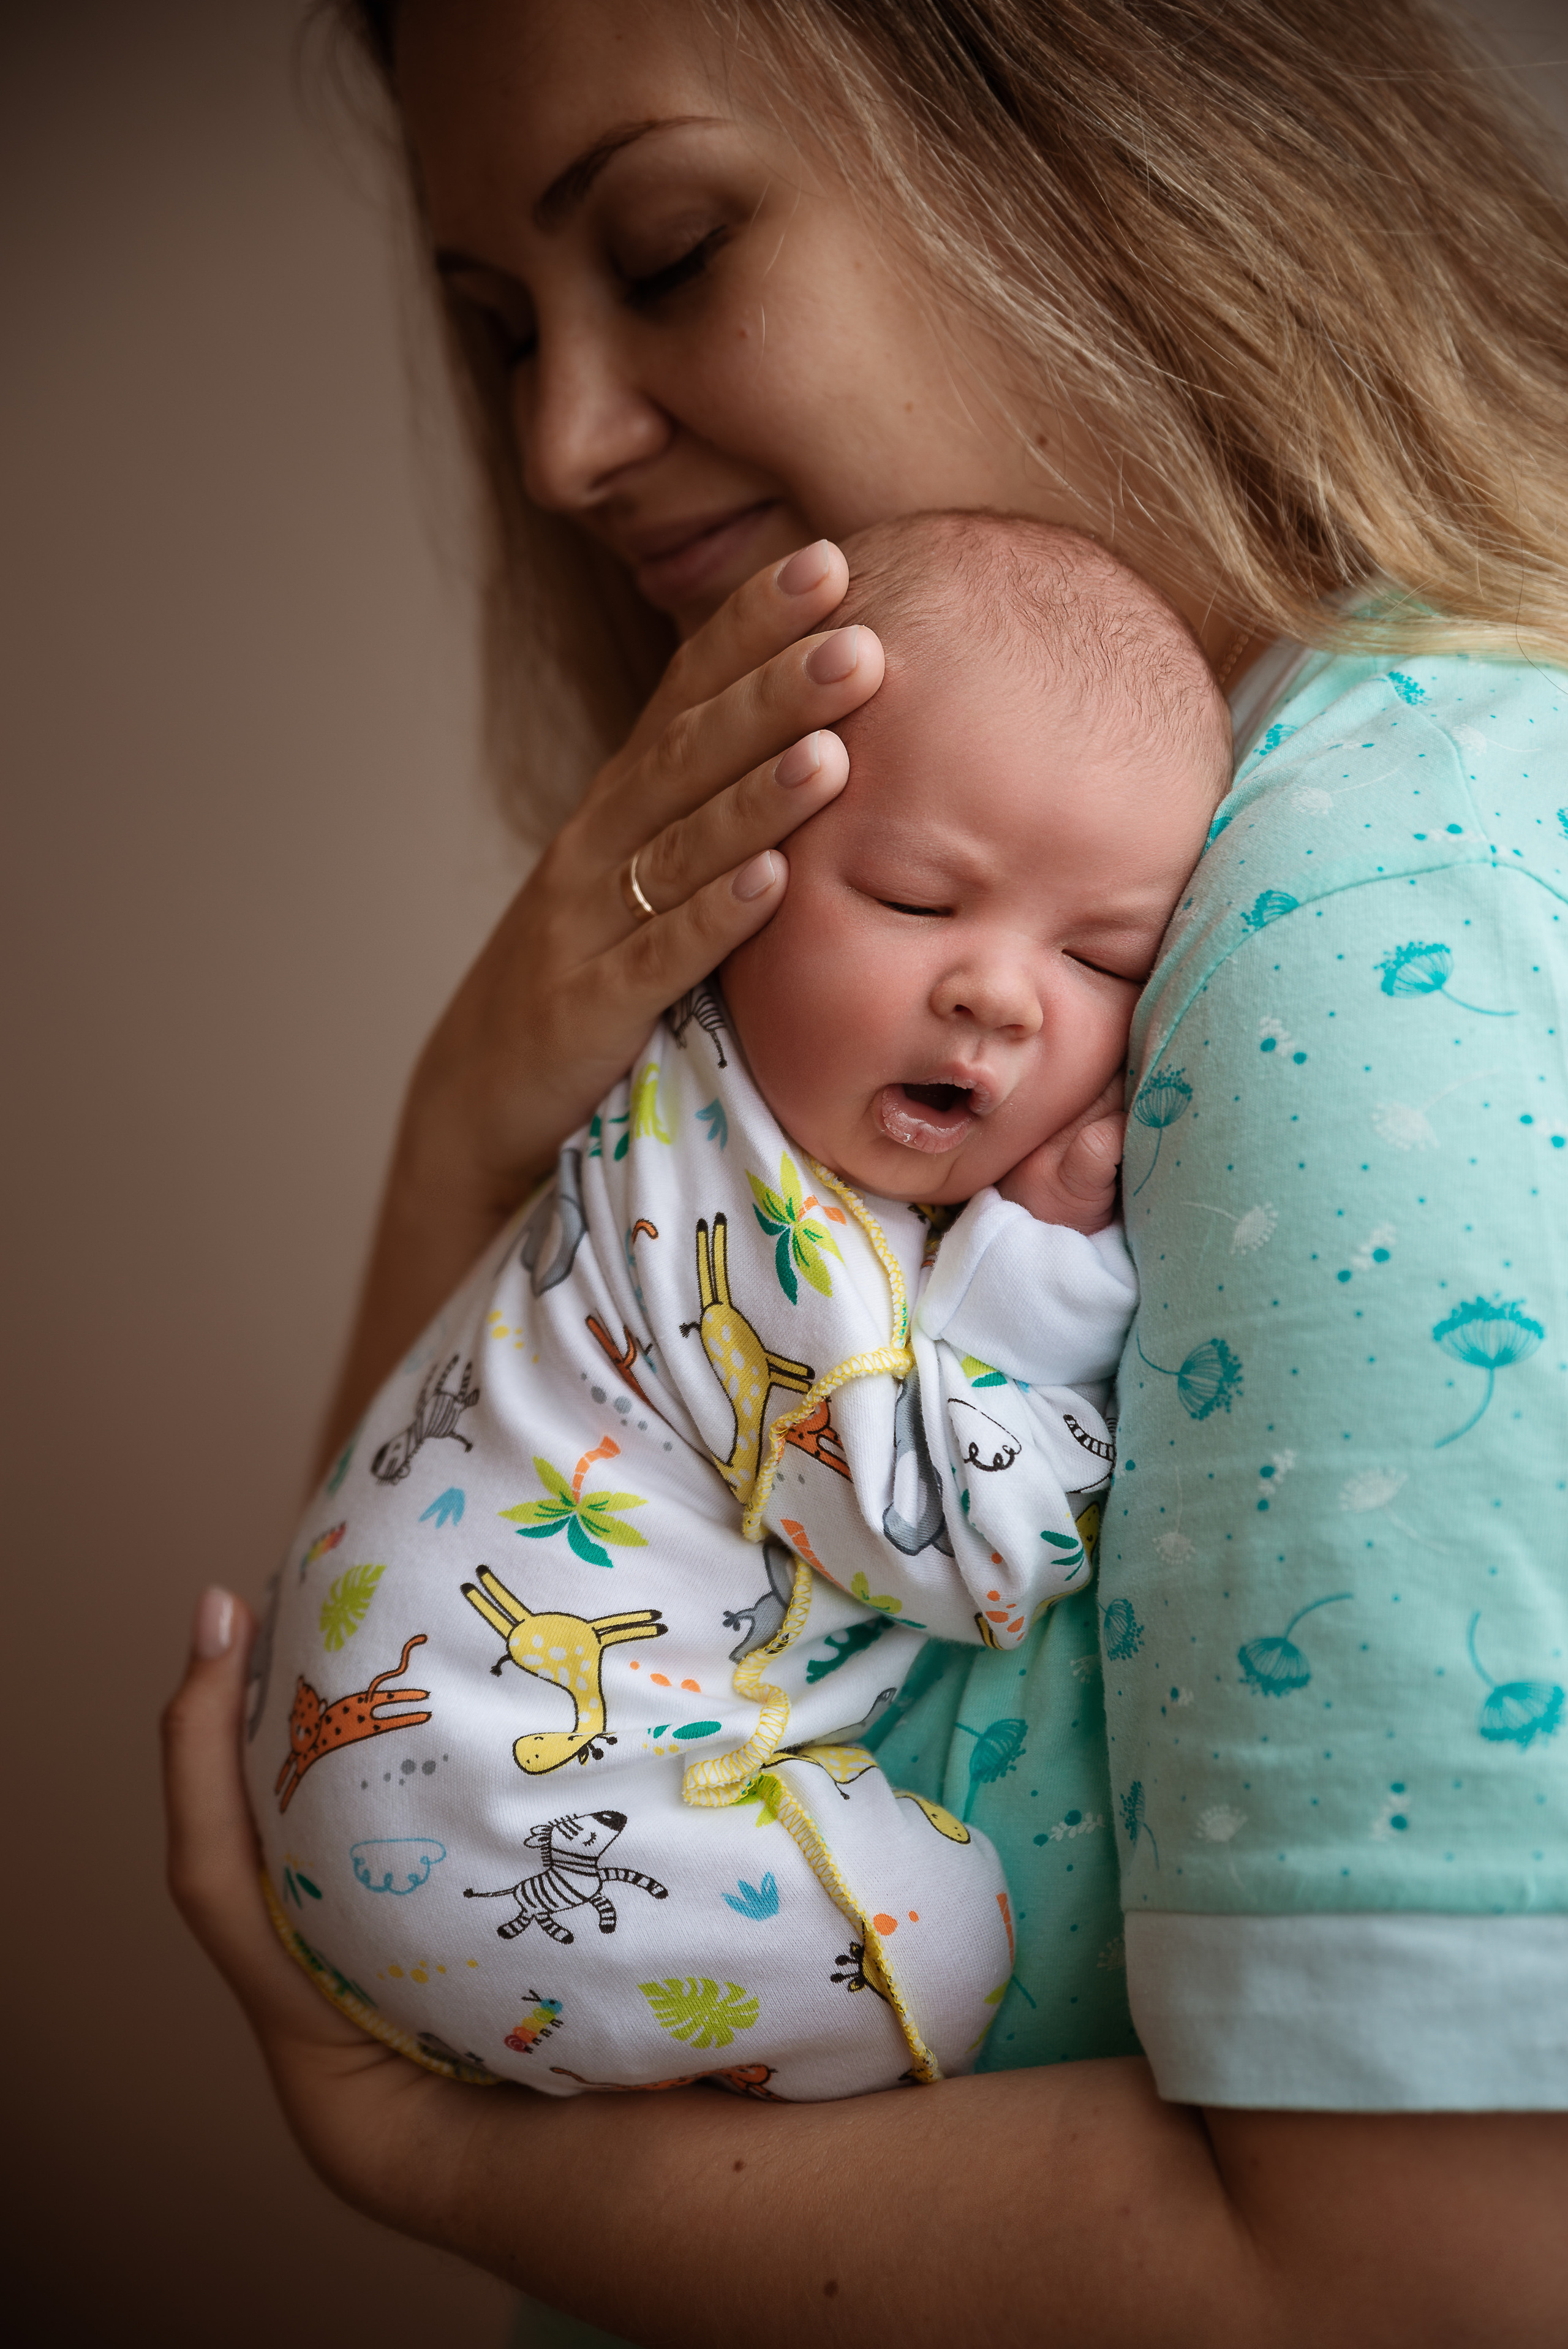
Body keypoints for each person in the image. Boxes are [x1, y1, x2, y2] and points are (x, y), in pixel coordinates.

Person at [164, 2, 1568, 2342]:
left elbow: (1436, 2278)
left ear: (1110, 135)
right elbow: (457, 1579)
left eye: (675, 247)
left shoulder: (1365, 892)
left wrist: (418, 2149)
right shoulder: (797, 1036)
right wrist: (473, 1109)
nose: (560, 441)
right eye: (503, 330)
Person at [247, 513, 1229, 2106]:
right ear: (735, 888)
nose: (999, 990)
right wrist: (1044, 1282)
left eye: (1103, 952)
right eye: (917, 897)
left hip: (381, 1779)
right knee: (952, 1928)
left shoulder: (699, 1113)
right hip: (480, 1834)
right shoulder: (753, 1214)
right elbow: (951, 1545)